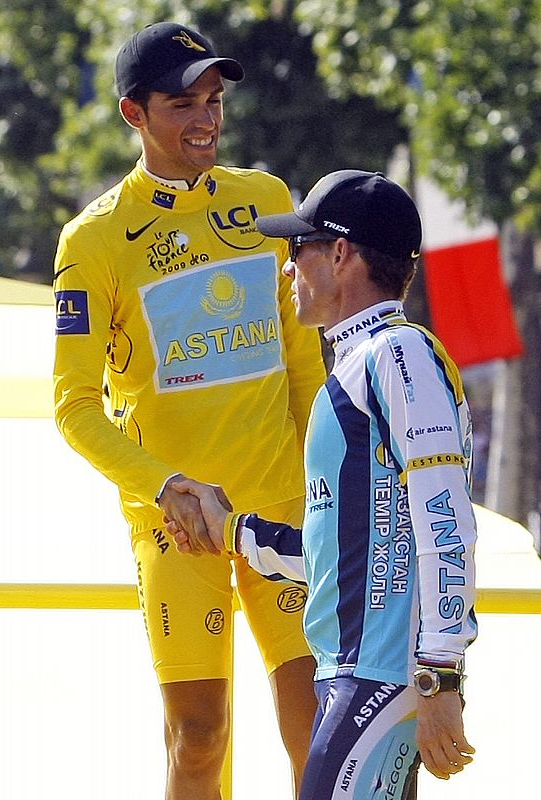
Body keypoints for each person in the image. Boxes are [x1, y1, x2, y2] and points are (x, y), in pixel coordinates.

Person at [53, 21, 326, 800]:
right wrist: (167, 485)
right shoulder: (93, 240)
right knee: (200, 738)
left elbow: (301, 357)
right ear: (133, 115)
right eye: (183, 104)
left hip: (280, 502)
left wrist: (320, 482)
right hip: (178, 521)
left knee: (314, 722)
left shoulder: (265, 200)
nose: (206, 119)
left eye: (213, 100)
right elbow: (73, 409)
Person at [167, 170, 478, 799]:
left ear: (340, 255)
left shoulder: (396, 355)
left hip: (380, 681)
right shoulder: (362, 361)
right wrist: (231, 531)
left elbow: (446, 521)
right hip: (358, 676)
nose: (287, 270)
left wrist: (439, 678)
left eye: (296, 249)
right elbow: (335, 554)